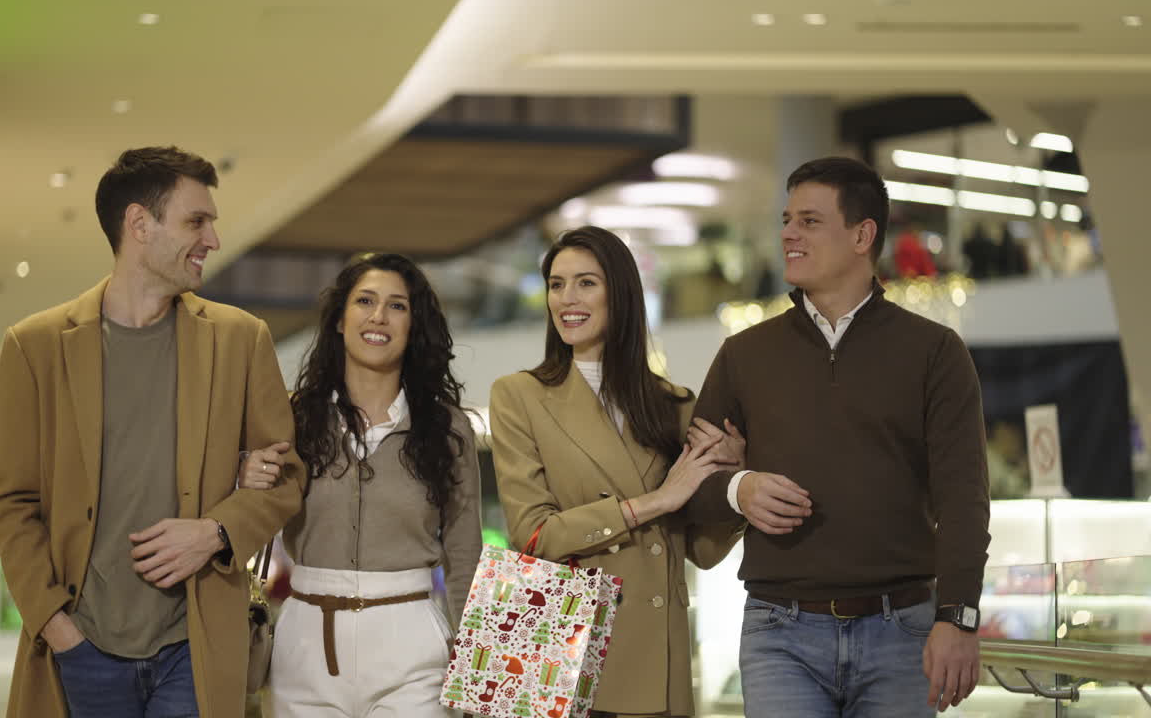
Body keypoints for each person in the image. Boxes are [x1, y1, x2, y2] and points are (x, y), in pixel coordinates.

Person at [0, 146, 304, 718]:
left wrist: (215, 532)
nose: (213, 239)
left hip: (195, 645)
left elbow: (285, 479)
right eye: (196, 221)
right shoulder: (35, 347)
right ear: (139, 224)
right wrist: (58, 629)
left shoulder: (240, 339)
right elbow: (11, 502)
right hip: (82, 649)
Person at [686, 156, 990, 716]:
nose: (788, 234)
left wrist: (958, 616)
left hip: (904, 632)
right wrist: (740, 489)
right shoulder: (744, 354)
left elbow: (964, 499)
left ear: (862, 234)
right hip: (779, 633)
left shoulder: (934, 351)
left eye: (808, 221)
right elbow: (691, 486)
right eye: (786, 220)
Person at [489, 226, 745, 718]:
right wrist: (655, 501)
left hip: (660, 653)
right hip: (565, 653)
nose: (567, 298)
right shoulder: (517, 395)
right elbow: (532, 534)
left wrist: (735, 478)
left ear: (620, 294)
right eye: (556, 284)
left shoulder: (674, 404)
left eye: (586, 282)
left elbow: (702, 552)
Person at [240, 253, 482, 718]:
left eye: (397, 306)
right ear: (338, 319)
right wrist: (244, 479)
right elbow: (250, 515)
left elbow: (464, 553)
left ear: (414, 325)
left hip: (412, 644)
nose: (378, 316)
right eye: (365, 301)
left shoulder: (447, 428)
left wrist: (479, 673)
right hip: (305, 645)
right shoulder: (293, 419)